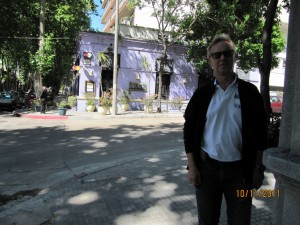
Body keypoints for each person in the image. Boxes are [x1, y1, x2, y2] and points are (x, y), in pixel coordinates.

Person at [183, 34, 268, 225]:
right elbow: (189, 131)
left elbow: (261, 133)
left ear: (234, 58)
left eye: (227, 54)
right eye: (217, 55)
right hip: (207, 172)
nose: (222, 58)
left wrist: (258, 168)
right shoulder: (202, 94)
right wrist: (193, 166)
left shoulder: (250, 93)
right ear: (210, 61)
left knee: (240, 222)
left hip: (241, 174)